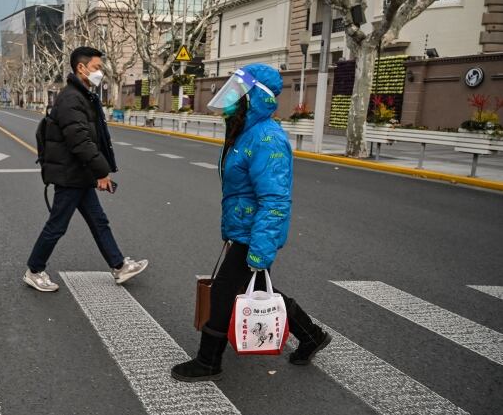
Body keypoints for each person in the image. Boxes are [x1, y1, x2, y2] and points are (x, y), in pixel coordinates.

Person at [171, 64, 331, 382]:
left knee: (223, 292)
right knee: (253, 287)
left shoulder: (267, 138)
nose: (229, 99)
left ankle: (208, 360)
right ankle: (311, 335)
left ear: (254, 98)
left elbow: (274, 200)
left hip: (253, 232)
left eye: (236, 93)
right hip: (244, 228)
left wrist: (260, 246)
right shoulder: (246, 132)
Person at [25, 46, 148, 292]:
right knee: (57, 225)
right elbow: (80, 141)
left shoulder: (82, 95)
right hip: (70, 175)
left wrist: (96, 172)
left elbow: (90, 137)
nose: (100, 72)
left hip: (79, 174)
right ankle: (34, 270)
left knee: (98, 221)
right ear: (81, 68)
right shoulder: (72, 98)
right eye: (96, 67)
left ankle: (119, 265)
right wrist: (101, 172)